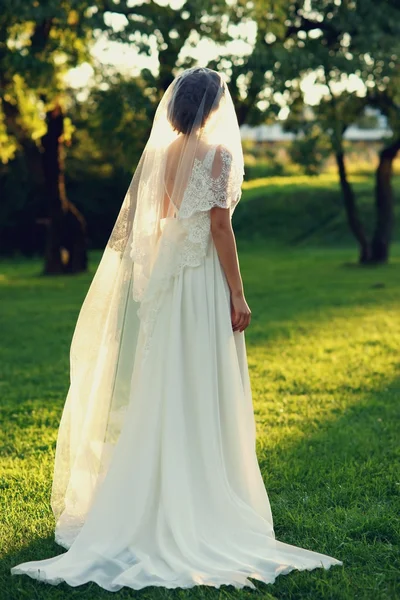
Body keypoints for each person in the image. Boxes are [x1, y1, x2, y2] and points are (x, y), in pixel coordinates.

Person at [11, 67, 342, 591]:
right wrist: (237, 292)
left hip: (170, 279)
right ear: (213, 108)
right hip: (203, 280)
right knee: (202, 380)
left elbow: (159, 221)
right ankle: (202, 495)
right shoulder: (220, 156)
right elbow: (218, 227)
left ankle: (151, 493)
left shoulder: (162, 156)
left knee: (164, 383)